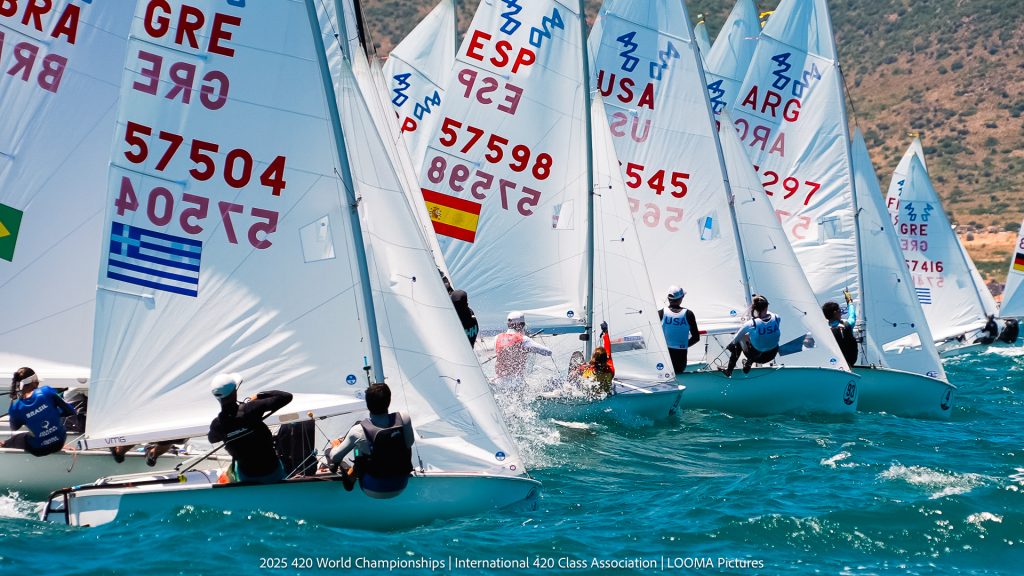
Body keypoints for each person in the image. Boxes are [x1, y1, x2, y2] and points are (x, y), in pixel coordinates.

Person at [325, 383, 414, 498]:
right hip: (401, 484)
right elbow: (409, 443)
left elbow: (335, 456)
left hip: (372, 487)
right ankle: (353, 469)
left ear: (367, 404)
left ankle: (351, 474)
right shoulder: (404, 418)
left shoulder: (358, 431)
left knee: (348, 446)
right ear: (389, 400)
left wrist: (336, 447)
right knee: (365, 440)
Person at [207, 373, 293, 484]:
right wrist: (258, 396)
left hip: (246, 476)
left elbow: (212, 439)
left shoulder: (217, 424)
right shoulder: (251, 408)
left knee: (233, 468)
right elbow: (286, 397)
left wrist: (231, 431)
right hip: (272, 472)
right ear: (234, 392)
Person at [1, 367, 75, 456]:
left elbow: (14, 427)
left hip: (39, 450)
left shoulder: (15, 407)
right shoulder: (46, 391)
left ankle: (4, 444)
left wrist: (29, 415)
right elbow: (71, 411)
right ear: (34, 382)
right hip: (60, 442)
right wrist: (51, 412)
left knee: (19, 437)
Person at [723, 295, 781, 377]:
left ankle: (729, 371)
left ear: (755, 308)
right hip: (771, 355)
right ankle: (749, 362)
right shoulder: (777, 317)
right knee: (766, 338)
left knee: (738, 343)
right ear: (767, 306)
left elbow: (734, 340)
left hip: (756, 357)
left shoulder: (750, 324)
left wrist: (730, 346)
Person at [494, 311, 552, 381]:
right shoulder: (524, 340)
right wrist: (529, 348)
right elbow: (548, 352)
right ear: (520, 325)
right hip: (516, 383)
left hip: (499, 381)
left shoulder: (497, 338)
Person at [658, 285, 700, 374]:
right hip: (680, 355)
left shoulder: (661, 313)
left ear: (668, 298)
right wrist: (682, 345)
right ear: (681, 298)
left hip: (664, 353)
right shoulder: (689, 314)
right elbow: (696, 337)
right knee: (679, 376)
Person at [571, 321, 615, 397]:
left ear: (593, 357)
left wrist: (575, 372)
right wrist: (605, 332)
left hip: (586, 394)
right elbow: (608, 350)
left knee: (580, 371)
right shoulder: (611, 370)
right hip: (604, 396)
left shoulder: (588, 369)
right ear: (605, 359)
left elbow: (583, 368)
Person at [822, 301, 858, 366]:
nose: (841, 313)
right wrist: (850, 303)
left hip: (829, 362)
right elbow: (852, 316)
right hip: (848, 362)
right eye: (840, 311)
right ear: (835, 313)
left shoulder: (823, 328)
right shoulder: (846, 325)